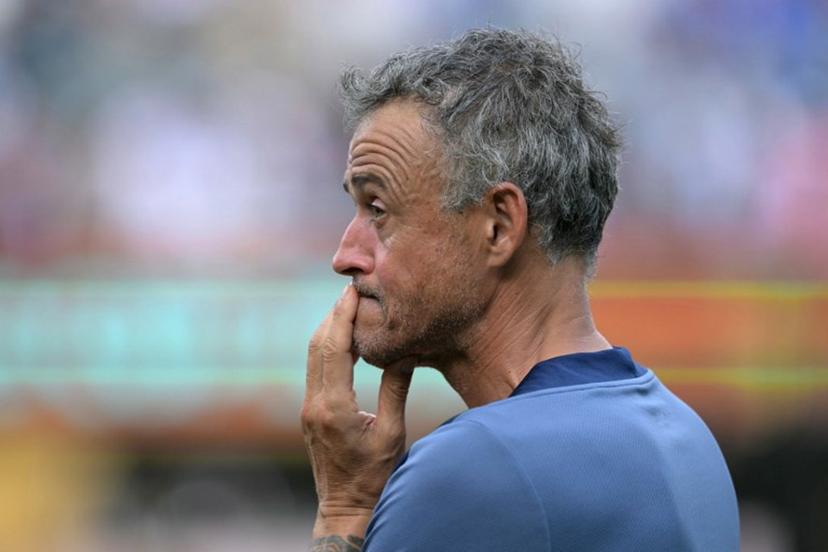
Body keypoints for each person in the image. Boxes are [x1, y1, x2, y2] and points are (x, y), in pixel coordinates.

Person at [301, 28, 739, 551]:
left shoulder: (473, 468)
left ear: (499, 227)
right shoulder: (690, 439)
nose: (345, 255)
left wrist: (344, 508)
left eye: (377, 210)